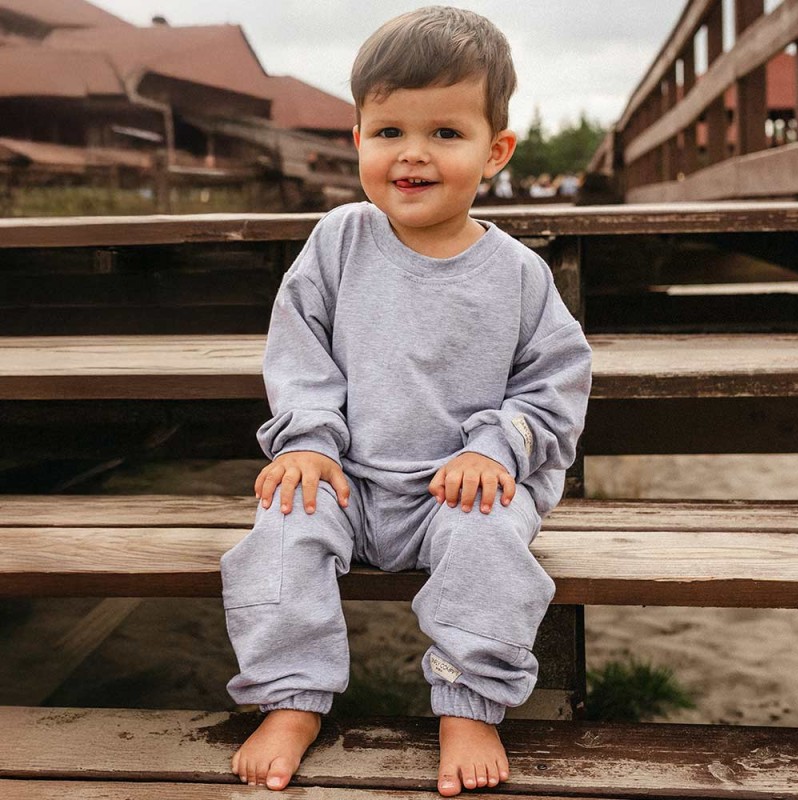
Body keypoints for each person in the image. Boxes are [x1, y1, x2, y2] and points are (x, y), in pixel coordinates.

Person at [220, 6, 592, 796]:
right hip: (349, 479)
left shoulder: (518, 275)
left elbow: (556, 382)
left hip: (459, 489)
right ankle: (290, 696)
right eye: (389, 131)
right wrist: (308, 440)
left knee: (489, 542)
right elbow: (300, 348)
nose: (412, 153)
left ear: (495, 151)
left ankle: (469, 702)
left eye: (445, 133)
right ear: (358, 137)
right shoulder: (338, 241)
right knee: (282, 527)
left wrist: (496, 447)